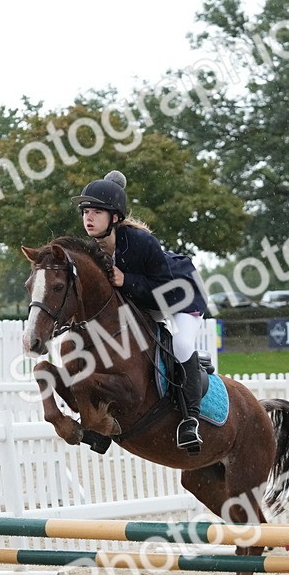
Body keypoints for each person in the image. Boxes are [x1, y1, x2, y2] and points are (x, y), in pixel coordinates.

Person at [72, 170, 209, 452]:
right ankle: (100, 424)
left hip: (181, 295)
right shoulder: (94, 250)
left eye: (97, 212)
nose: (88, 217)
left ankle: (189, 419)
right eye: (86, 211)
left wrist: (127, 280)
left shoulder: (140, 242)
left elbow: (167, 290)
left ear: (115, 218)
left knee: (181, 344)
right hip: (144, 300)